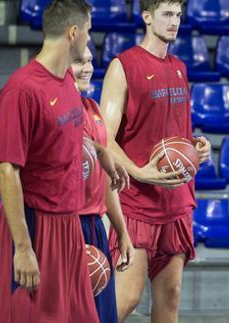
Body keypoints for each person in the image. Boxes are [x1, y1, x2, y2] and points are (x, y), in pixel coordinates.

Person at [0, 0, 125, 323]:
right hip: (37, 227)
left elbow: (67, 132)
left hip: (69, 227)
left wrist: (102, 151)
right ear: (73, 33)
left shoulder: (65, 81)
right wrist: (23, 248)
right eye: (89, 32)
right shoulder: (22, 90)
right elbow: (8, 170)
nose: (91, 39)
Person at [100, 0, 211, 322]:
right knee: (127, 298)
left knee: (170, 300)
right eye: (166, 14)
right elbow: (102, 135)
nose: (174, 21)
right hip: (136, 202)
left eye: (178, 15)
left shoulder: (179, 68)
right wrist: (138, 171)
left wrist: (196, 147)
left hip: (176, 202)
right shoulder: (123, 66)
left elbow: (173, 135)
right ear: (147, 17)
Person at [71, 47, 135, 323]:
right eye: (78, 61)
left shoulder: (93, 109)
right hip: (64, 227)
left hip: (95, 226)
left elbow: (105, 181)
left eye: (89, 61)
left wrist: (121, 232)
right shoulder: (54, 109)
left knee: (102, 316)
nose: (87, 67)